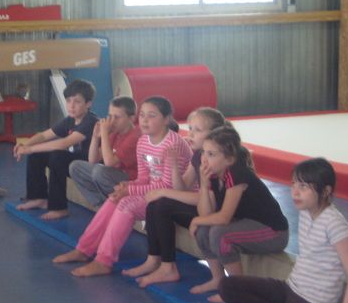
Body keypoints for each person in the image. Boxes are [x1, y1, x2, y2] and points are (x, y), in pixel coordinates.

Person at [219, 158, 348, 303]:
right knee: (227, 286)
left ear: (326, 191)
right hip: (291, 289)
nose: (295, 192)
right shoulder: (306, 211)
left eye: (303, 187)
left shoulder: (335, 224)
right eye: (294, 184)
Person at [53, 96, 191, 277]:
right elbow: (144, 178)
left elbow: (167, 186)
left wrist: (130, 190)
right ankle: (84, 249)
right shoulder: (144, 141)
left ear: (166, 120)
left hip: (174, 197)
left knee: (127, 203)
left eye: (151, 116)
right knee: (114, 198)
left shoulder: (173, 145)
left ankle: (104, 261)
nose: (145, 120)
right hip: (154, 192)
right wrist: (126, 185)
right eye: (142, 115)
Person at [124, 107, 228, 287]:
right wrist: (172, 165)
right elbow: (183, 188)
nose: (191, 134)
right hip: (204, 208)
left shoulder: (217, 160)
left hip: (215, 212)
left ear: (214, 134)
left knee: (161, 203)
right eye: (190, 128)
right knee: (156, 204)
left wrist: (163, 191)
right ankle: (154, 260)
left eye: (197, 130)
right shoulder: (198, 155)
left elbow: (207, 201)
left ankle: (168, 267)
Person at [189, 126, 288, 298]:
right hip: (246, 224)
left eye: (211, 154)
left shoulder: (237, 174)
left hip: (273, 232)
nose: (204, 158)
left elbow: (224, 217)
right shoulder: (213, 173)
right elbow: (206, 215)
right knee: (203, 230)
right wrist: (204, 186)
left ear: (229, 159)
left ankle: (237, 291)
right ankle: (218, 279)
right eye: (204, 152)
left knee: (220, 234)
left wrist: (196, 220)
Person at [14, 79, 97, 220]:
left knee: (58, 156)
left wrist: (31, 149)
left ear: (88, 104)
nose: (71, 106)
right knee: (38, 155)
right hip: (75, 161)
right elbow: (44, 135)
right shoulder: (70, 120)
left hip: (89, 166)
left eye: (77, 102)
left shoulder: (90, 121)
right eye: (68, 101)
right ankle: (39, 198)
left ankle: (59, 208)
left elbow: (64, 143)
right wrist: (25, 145)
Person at [68, 96, 140, 208]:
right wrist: (95, 136)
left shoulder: (135, 136)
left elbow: (109, 163)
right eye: (110, 116)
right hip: (114, 175)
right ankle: (102, 204)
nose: (112, 121)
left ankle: (115, 204)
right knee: (75, 167)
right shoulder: (115, 133)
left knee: (99, 172)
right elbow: (92, 160)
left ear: (132, 118)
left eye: (117, 117)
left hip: (131, 180)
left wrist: (105, 133)